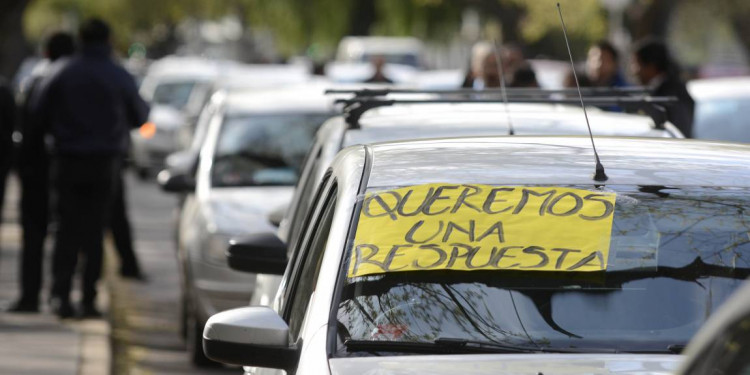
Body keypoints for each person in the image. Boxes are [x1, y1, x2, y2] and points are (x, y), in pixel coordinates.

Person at [34, 19, 149, 318]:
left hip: (67, 161)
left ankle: (60, 296)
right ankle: (88, 297)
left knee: (65, 230)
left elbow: (38, 114)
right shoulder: (116, 73)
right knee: (95, 232)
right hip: (104, 164)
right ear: (108, 39)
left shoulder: (62, 72)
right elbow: (140, 115)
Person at [8, 32, 76, 313]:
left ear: (47, 52)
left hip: (36, 169)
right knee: (66, 233)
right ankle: (61, 295)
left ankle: (30, 296)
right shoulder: (77, 81)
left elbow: (26, 127)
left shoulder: (37, 81)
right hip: (68, 168)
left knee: (34, 235)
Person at [631, 39, 695, 137]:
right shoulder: (670, 89)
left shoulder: (669, 95)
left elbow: (677, 132)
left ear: (651, 66)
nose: (634, 71)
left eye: (637, 64)